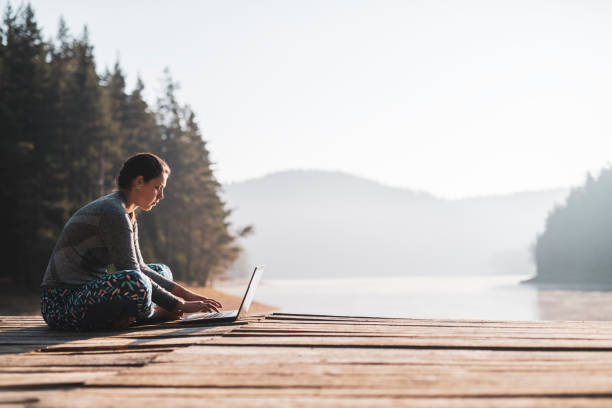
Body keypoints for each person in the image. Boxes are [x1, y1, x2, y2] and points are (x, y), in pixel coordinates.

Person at [40, 153, 222, 330]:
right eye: (158, 187)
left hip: (88, 294)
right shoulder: (113, 212)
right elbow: (132, 271)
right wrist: (179, 305)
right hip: (61, 304)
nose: (161, 196)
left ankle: (126, 318)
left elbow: (141, 266)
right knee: (136, 281)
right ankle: (154, 314)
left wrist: (189, 296)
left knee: (162, 271)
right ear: (139, 182)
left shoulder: (127, 213)